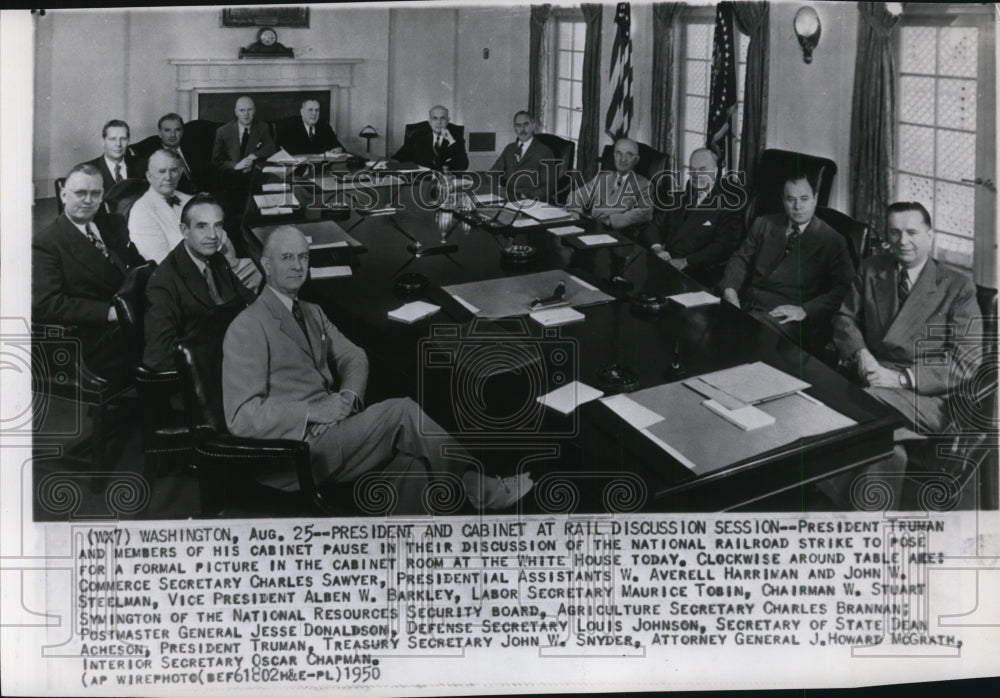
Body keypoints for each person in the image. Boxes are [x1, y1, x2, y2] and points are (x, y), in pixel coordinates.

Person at [222, 226, 532, 513]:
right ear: (265, 264)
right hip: (295, 453)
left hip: (333, 434)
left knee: (414, 463)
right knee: (401, 412)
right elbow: (241, 418)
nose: (297, 266)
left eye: (303, 257)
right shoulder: (248, 326)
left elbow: (354, 357)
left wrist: (346, 400)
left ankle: (396, 545)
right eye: (286, 258)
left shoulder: (311, 311)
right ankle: (482, 490)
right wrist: (313, 411)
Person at [833, 201, 982, 435]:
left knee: (857, 412)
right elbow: (845, 318)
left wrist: (901, 379)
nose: (902, 241)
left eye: (912, 232)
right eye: (895, 232)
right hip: (871, 375)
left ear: (929, 235)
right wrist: (861, 354)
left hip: (925, 395)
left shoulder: (958, 287)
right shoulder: (871, 269)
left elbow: (965, 364)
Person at [32, 164, 146, 383]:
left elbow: (135, 266)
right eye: (80, 193)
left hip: (129, 319)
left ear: (102, 196)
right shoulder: (46, 243)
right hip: (90, 337)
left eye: (95, 193)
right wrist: (109, 312)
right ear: (64, 195)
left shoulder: (113, 224)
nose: (88, 200)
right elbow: (46, 304)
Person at [720, 171, 855, 343]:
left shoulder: (833, 240)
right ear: (783, 200)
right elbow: (740, 259)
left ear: (815, 198)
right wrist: (730, 291)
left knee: (738, 338)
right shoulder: (763, 224)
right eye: (791, 199)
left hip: (788, 319)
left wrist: (806, 310)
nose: (797, 206)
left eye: (804, 199)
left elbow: (845, 288)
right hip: (744, 304)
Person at [143, 194, 258, 372]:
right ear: (184, 230)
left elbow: (247, 300)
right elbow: (158, 356)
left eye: (218, 226)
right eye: (202, 226)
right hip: (206, 378)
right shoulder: (164, 282)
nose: (213, 235)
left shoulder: (216, 259)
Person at [128, 149, 260, 289]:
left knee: (265, 269)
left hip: (222, 269)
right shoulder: (141, 212)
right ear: (149, 176)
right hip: (188, 284)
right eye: (161, 171)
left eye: (173, 170)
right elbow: (163, 264)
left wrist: (227, 265)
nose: (168, 177)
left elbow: (223, 238)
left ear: (180, 173)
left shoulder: (188, 199)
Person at [640, 148, 742, 286]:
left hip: (696, 273)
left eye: (702, 170)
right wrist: (657, 248)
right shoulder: (679, 197)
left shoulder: (728, 206)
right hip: (665, 263)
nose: (696, 175)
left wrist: (685, 261)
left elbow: (722, 247)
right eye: (692, 169)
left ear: (715, 172)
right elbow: (654, 225)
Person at [566, 138, 653, 231]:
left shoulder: (644, 184)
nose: (623, 159)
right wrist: (577, 212)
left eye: (629, 155)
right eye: (619, 153)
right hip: (591, 227)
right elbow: (576, 195)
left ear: (636, 159)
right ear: (614, 156)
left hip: (618, 232)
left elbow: (645, 212)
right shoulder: (602, 177)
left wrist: (610, 221)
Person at [490, 111, 556, 202]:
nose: (522, 129)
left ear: (533, 126)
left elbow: (549, 186)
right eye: (518, 125)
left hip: (531, 202)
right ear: (514, 128)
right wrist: (498, 190)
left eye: (526, 125)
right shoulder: (509, 149)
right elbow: (493, 173)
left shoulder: (545, 152)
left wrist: (526, 198)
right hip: (507, 199)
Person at [133, 113, 203, 194]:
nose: (173, 135)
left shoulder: (195, 150)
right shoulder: (154, 157)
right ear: (159, 133)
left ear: (182, 132)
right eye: (167, 130)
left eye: (177, 130)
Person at [211, 95, 277, 174]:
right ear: (236, 112)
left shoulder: (262, 127)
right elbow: (216, 161)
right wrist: (235, 166)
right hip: (230, 176)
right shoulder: (223, 131)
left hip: (253, 175)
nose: (246, 114)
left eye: (249, 109)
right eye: (242, 110)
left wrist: (253, 156)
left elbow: (271, 149)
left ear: (254, 110)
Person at [392, 105, 469, 171]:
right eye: (435, 118)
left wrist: (451, 141)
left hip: (445, 181)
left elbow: (463, 166)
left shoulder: (456, 139)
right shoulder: (416, 137)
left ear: (448, 121)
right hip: (421, 180)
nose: (439, 122)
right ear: (429, 121)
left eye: (442, 118)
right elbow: (399, 158)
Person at [81, 119, 140, 193]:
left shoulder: (140, 167)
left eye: (123, 139)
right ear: (103, 141)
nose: (118, 144)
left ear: (128, 141)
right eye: (112, 139)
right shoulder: (86, 171)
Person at [277, 99, 345, 155]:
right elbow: (284, 151)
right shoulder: (289, 126)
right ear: (302, 112)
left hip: (321, 167)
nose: (314, 113)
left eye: (317, 110)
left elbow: (336, 144)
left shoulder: (324, 126)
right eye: (310, 110)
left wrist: (338, 148)